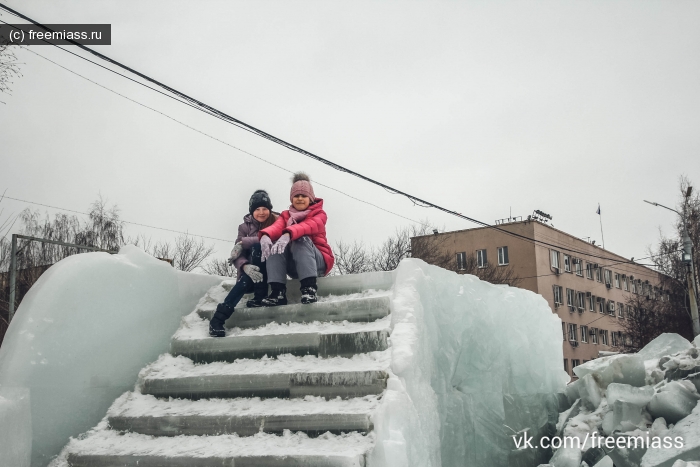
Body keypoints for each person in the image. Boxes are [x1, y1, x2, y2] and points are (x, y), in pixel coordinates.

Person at [259, 172, 334, 306]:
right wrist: (265, 236)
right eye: (296, 196)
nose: (299, 198)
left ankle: (309, 288)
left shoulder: (319, 214)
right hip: (295, 265)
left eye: (303, 196)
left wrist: (288, 234)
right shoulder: (286, 215)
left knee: (301, 239)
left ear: (311, 198)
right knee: (275, 244)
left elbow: (307, 226)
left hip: (318, 264)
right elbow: (276, 227)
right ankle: (278, 292)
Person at [209, 190, 276, 337]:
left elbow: (271, 239)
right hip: (253, 272)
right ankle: (217, 320)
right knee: (245, 280)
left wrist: (244, 242)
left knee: (258, 246)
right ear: (251, 211)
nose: (261, 212)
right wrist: (245, 266)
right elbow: (237, 253)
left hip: (271, 270)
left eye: (265, 208)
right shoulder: (244, 227)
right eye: (257, 209)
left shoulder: (276, 222)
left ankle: (260, 295)